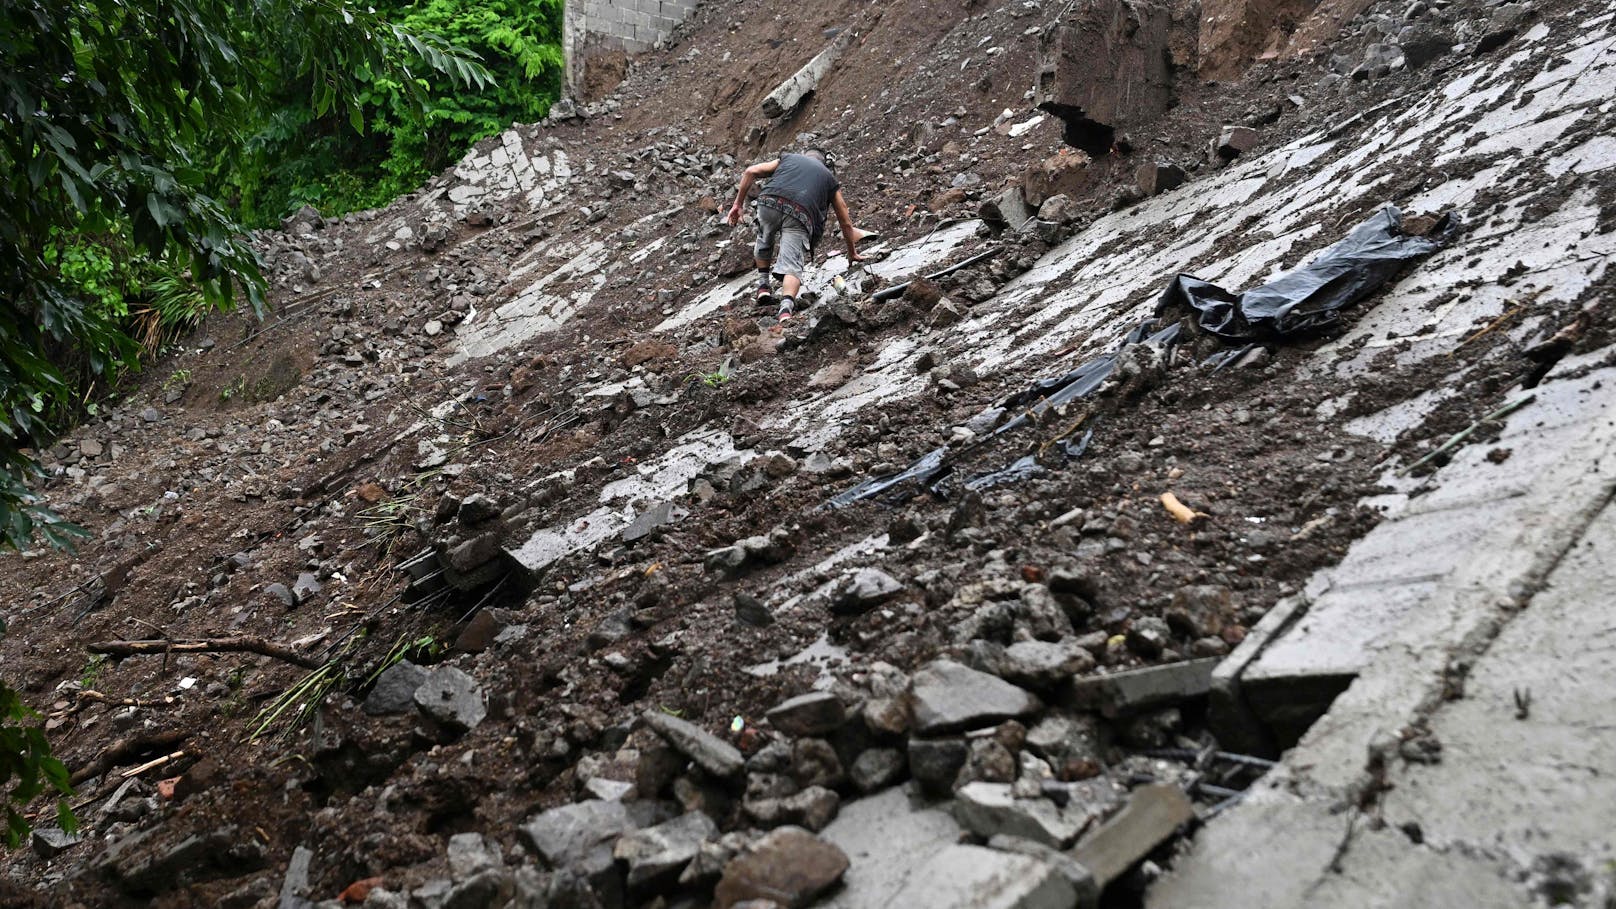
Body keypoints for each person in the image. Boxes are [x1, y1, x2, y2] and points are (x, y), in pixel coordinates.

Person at [726, 149, 869, 321]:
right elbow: (845, 220)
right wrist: (851, 252)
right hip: (800, 213)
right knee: (792, 263)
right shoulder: (829, 179)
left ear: (805, 155)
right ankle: (785, 310)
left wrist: (738, 204)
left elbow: (751, 171)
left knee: (764, 238)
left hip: (769, 202)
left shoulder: (788, 158)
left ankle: (763, 286)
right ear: (825, 163)